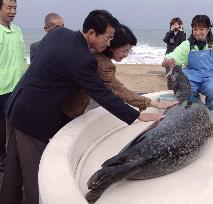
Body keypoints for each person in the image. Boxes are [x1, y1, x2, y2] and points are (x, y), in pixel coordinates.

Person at [0, 10, 177, 204]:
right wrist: (135, 115)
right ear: (91, 33)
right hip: (33, 119)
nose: (109, 43)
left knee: (12, 172)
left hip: (15, 105)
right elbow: (101, 94)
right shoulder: (83, 60)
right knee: (35, 177)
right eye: (108, 38)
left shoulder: (59, 33)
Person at [63, 24, 176, 119]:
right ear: (111, 46)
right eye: (124, 50)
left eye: (129, 51)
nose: (126, 55)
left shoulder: (90, 52)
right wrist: (151, 103)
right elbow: (119, 91)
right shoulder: (101, 63)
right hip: (66, 112)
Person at [0, 0, 27, 171]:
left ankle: (13, 155)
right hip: (2, 87)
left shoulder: (17, 30)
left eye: (15, 7)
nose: (13, 11)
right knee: (2, 126)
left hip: (19, 86)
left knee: (16, 123)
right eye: (9, 7)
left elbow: (22, 58)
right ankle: (2, 157)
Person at [163, 17, 186, 89]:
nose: (176, 26)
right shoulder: (169, 33)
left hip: (178, 57)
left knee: (179, 76)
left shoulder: (182, 33)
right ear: (171, 25)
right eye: (174, 25)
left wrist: (181, 30)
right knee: (169, 76)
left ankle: (178, 92)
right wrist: (171, 31)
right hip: (169, 57)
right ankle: (170, 91)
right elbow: (165, 40)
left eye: (177, 24)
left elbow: (183, 43)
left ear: (180, 25)